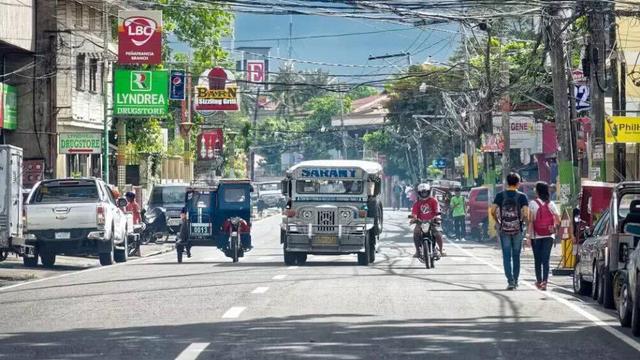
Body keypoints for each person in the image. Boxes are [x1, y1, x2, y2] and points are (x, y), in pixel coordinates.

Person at [490, 172, 529, 290]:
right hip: (518, 229)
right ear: (517, 183)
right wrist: (522, 222)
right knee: (516, 255)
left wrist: (498, 222)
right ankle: (516, 280)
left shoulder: (500, 195)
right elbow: (526, 213)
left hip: (504, 229)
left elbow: (493, 210)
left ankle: (510, 281)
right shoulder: (522, 196)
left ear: (507, 183)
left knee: (506, 255)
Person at [527, 181, 560, 291]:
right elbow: (558, 219)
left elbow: (531, 221)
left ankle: (539, 281)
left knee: (538, 259)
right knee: (546, 260)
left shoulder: (533, 204)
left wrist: (528, 237)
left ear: (537, 191)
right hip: (549, 235)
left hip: (536, 236)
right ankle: (545, 282)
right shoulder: (551, 204)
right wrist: (553, 228)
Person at [411, 183, 445, 259]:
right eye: (422, 192)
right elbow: (414, 213)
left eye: (425, 192)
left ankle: (441, 249)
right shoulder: (417, 203)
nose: (424, 194)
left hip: (432, 221)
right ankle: (417, 251)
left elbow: (437, 210)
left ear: (429, 191)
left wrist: (437, 217)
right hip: (421, 222)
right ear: (419, 193)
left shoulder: (433, 200)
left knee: (437, 232)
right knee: (416, 232)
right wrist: (414, 219)